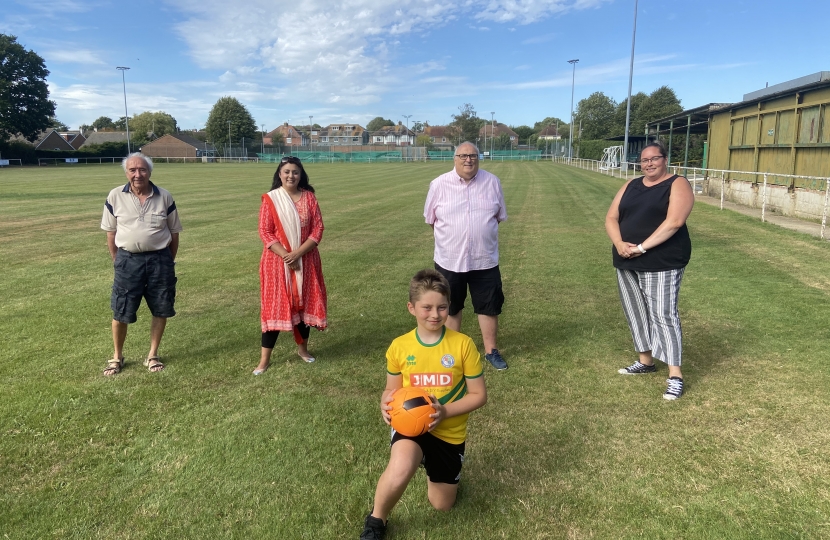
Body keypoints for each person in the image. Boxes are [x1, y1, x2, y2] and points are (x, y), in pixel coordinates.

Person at [361, 269, 487, 540]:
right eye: (426, 307)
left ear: (449, 307)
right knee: (401, 466)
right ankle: (376, 521)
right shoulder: (399, 347)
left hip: (449, 432)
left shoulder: (463, 345)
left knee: (442, 505)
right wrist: (385, 403)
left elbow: (479, 395)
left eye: (442, 307)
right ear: (411, 308)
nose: (435, 314)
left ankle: (434, 467)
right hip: (410, 426)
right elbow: (390, 391)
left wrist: (443, 412)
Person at [605, 140, 694, 400]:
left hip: (661, 261)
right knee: (636, 312)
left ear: (665, 159)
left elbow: (675, 221)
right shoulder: (630, 185)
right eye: (644, 160)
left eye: (654, 159)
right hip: (626, 260)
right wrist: (620, 243)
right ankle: (646, 361)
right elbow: (611, 218)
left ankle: (675, 375)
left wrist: (642, 247)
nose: (649, 164)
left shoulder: (677, 183)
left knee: (663, 315)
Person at [424, 141, 509, 371]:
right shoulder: (439, 184)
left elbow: (498, 216)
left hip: (485, 259)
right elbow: (431, 220)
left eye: (472, 155)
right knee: (451, 306)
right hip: (450, 260)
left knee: (489, 306)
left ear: (478, 158)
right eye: (463, 156)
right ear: (455, 158)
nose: (468, 160)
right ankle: (451, 354)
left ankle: (491, 351)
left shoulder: (492, 183)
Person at [101, 152, 182, 375]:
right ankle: (117, 357)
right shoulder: (115, 196)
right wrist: (118, 260)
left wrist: (168, 260)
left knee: (161, 307)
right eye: (132, 170)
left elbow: (174, 233)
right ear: (127, 172)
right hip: (128, 261)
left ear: (150, 172)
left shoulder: (164, 196)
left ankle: (152, 355)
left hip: (160, 260)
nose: (138, 174)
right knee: (121, 310)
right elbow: (110, 232)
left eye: (142, 169)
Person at [254, 156, 327, 374]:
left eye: (295, 172)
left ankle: (303, 350)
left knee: (303, 305)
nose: (291, 176)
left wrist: (298, 254)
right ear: (279, 174)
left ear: (301, 174)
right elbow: (264, 232)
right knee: (274, 307)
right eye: (286, 172)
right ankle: (264, 360)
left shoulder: (310, 198)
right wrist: (287, 256)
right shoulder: (271, 199)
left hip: (306, 260)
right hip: (277, 264)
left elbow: (318, 229)